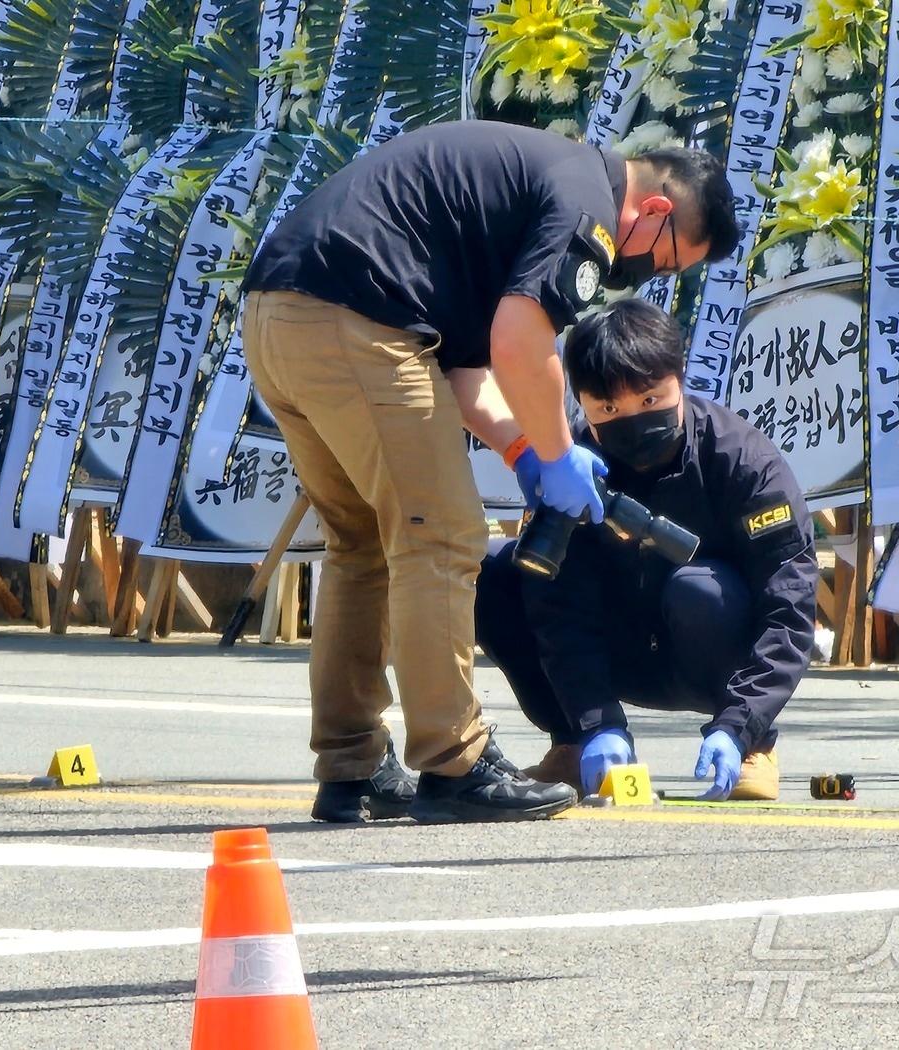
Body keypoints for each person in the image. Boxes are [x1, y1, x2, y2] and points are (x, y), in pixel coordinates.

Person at [241, 121, 740, 823]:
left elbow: (469, 368)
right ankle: (457, 764)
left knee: (362, 547)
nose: (655, 276)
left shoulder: (534, 184)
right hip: (360, 325)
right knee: (442, 539)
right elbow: (521, 339)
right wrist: (559, 450)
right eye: (667, 262)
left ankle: (352, 766)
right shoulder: (586, 203)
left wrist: (522, 449)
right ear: (655, 212)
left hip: (280, 318)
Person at [475, 299, 818, 801]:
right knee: (496, 571)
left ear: (681, 377)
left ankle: (750, 747)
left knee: (700, 589)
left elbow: (788, 607)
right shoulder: (569, 465)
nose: (632, 419)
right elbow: (556, 608)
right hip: (618, 645)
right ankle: (574, 743)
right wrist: (597, 721)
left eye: (651, 399)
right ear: (579, 399)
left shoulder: (743, 461)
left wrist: (741, 721)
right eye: (608, 409)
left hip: (707, 648)